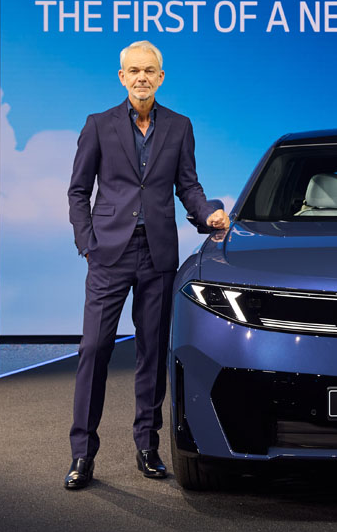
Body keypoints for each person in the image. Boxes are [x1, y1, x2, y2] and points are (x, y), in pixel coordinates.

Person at [64, 40, 229, 489]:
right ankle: (82, 454)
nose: (141, 77)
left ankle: (147, 446)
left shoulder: (180, 127)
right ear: (122, 77)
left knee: (152, 355)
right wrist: (88, 244)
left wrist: (208, 212)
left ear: (160, 77)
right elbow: (78, 191)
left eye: (149, 70)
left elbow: (188, 186)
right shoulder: (98, 126)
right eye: (133, 70)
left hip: (158, 256)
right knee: (94, 350)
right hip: (108, 257)